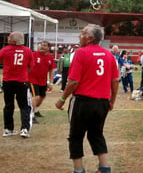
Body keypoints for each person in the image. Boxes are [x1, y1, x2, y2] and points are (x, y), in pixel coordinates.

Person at [55, 24, 119, 173]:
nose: (79, 36)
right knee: (97, 135)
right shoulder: (109, 55)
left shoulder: (81, 53)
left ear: (90, 38)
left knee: (76, 136)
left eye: (82, 33)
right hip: (102, 102)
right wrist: (112, 101)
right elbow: (115, 81)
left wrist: (62, 99)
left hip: (83, 101)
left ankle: (79, 170)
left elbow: (74, 81)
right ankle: (104, 168)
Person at [1, 31, 34, 138]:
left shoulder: (5, 50)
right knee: (24, 105)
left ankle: (8, 129)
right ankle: (24, 129)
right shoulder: (27, 51)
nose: (8, 38)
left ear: (14, 41)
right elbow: (31, 65)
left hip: (7, 81)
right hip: (21, 81)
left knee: (8, 105)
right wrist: (23, 72)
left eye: (10, 37)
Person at [29, 41, 56, 124]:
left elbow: (52, 70)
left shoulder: (50, 58)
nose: (42, 47)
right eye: (41, 45)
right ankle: (31, 115)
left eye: (44, 45)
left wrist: (51, 83)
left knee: (42, 97)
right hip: (32, 80)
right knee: (36, 97)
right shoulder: (33, 55)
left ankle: (36, 111)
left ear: (48, 48)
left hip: (43, 81)